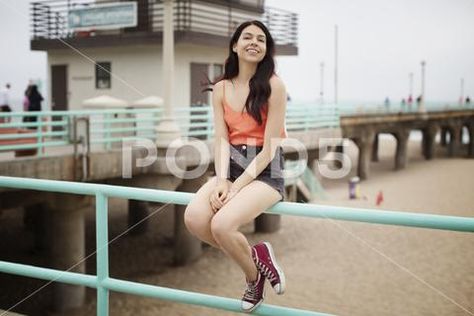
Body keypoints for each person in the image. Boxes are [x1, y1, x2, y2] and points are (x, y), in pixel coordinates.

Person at [184, 20, 287, 313]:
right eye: (247, 37)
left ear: (266, 50)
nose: (254, 42)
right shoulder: (221, 88)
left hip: (265, 170)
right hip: (229, 167)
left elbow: (271, 147)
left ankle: (253, 280)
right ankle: (258, 258)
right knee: (194, 219)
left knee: (222, 225)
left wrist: (235, 187)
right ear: (234, 45)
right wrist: (220, 181)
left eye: (261, 40)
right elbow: (220, 139)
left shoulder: (274, 86)